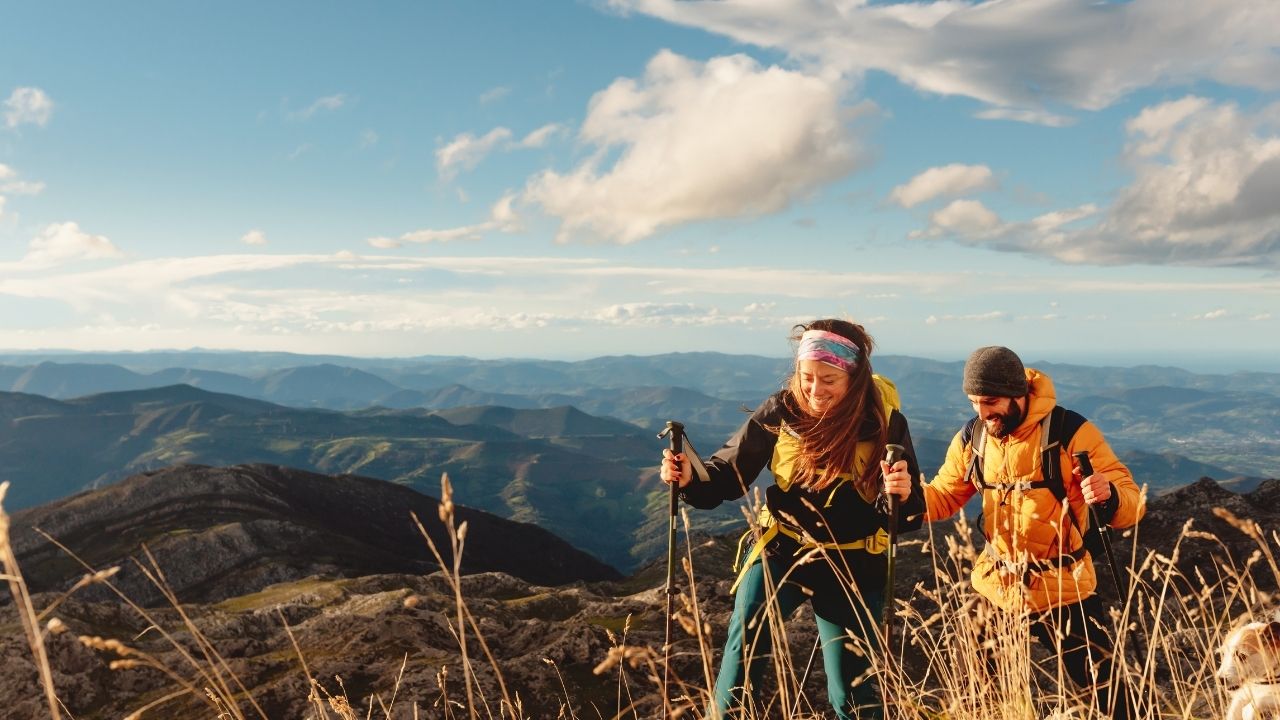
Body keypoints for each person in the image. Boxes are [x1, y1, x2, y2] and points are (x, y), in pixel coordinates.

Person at [661, 318, 925, 720]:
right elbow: (728, 474)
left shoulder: (886, 424)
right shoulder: (782, 410)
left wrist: (902, 496)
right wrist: (689, 477)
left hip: (852, 561)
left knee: (852, 688)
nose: (815, 390)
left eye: (828, 380)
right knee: (744, 647)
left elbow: (906, 515)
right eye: (806, 377)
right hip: (782, 546)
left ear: (853, 379)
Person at [883, 345, 1145, 719]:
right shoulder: (973, 438)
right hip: (997, 585)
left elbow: (1130, 506)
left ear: (1019, 393)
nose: (982, 412)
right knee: (975, 697)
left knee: (1109, 699)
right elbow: (942, 497)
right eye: (974, 402)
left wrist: (1109, 495)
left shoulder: (1070, 432)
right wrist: (907, 496)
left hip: (1063, 588)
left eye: (990, 401)